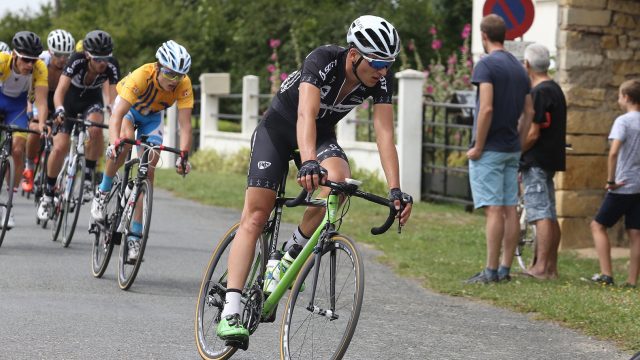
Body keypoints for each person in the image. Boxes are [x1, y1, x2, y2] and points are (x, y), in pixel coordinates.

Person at [215, 15, 413, 345]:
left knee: (339, 182)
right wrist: (308, 161)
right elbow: (305, 114)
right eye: (377, 62)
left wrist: (395, 189)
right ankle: (230, 311)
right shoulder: (322, 60)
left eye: (388, 64)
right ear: (354, 54)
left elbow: (384, 134)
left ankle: (288, 255)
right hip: (278, 131)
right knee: (256, 215)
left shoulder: (379, 81)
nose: (382, 71)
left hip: (320, 135)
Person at [90, 40, 193, 261]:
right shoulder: (141, 76)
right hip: (128, 110)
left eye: (180, 75)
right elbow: (117, 115)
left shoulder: (184, 85)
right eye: (170, 73)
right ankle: (103, 191)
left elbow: (185, 125)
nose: (175, 80)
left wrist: (184, 155)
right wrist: (113, 143)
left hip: (152, 118)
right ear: (158, 67)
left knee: (148, 171)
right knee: (125, 142)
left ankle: (135, 237)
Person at [465, 14, 534, 284]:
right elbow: (529, 111)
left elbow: (487, 108)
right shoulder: (519, 68)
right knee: (509, 209)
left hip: (490, 149)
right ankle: (505, 268)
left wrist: (478, 146)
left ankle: (490, 271)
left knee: (493, 210)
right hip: (511, 148)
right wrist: (519, 138)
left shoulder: (486, 66)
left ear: (484, 36)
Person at [36, 30, 120, 221]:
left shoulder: (111, 66)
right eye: (98, 59)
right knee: (60, 147)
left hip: (92, 99)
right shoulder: (76, 60)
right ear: (88, 55)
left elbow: (114, 98)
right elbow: (60, 91)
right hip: (70, 100)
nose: (103, 63)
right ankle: (48, 194)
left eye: (106, 58)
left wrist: (115, 115)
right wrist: (58, 109)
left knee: (96, 127)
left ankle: (89, 174)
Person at [520, 43, 567, 279]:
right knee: (549, 212)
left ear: (527, 65)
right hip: (550, 158)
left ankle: (541, 268)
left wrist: (517, 153)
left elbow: (533, 132)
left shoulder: (539, 92)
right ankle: (551, 267)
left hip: (536, 160)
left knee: (540, 213)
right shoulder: (555, 88)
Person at [589, 79, 640, 288]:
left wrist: (610, 180)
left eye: (619, 96)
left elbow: (613, 152)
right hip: (639, 185)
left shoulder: (623, 121)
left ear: (626, 97)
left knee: (598, 225)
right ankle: (631, 280)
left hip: (623, 184)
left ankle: (606, 274)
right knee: (636, 233)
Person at [0, 31, 48, 228]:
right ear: (14, 55)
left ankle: (7, 206)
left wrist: (43, 123)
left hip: (17, 108)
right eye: (25, 60)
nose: (29, 65)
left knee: (18, 149)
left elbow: (42, 101)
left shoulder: (39, 68)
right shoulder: (2, 61)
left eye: (33, 60)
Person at [23, 29, 76, 193]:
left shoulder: (70, 65)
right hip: (39, 97)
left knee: (60, 138)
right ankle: (29, 166)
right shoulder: (41, 61)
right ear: (51, 51)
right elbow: (29, 88)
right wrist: (31, 110)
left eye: (66, 55)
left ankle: (54, 174)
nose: (62, 59)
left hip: (59, 100)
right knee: (34, 130)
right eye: (59, 54)